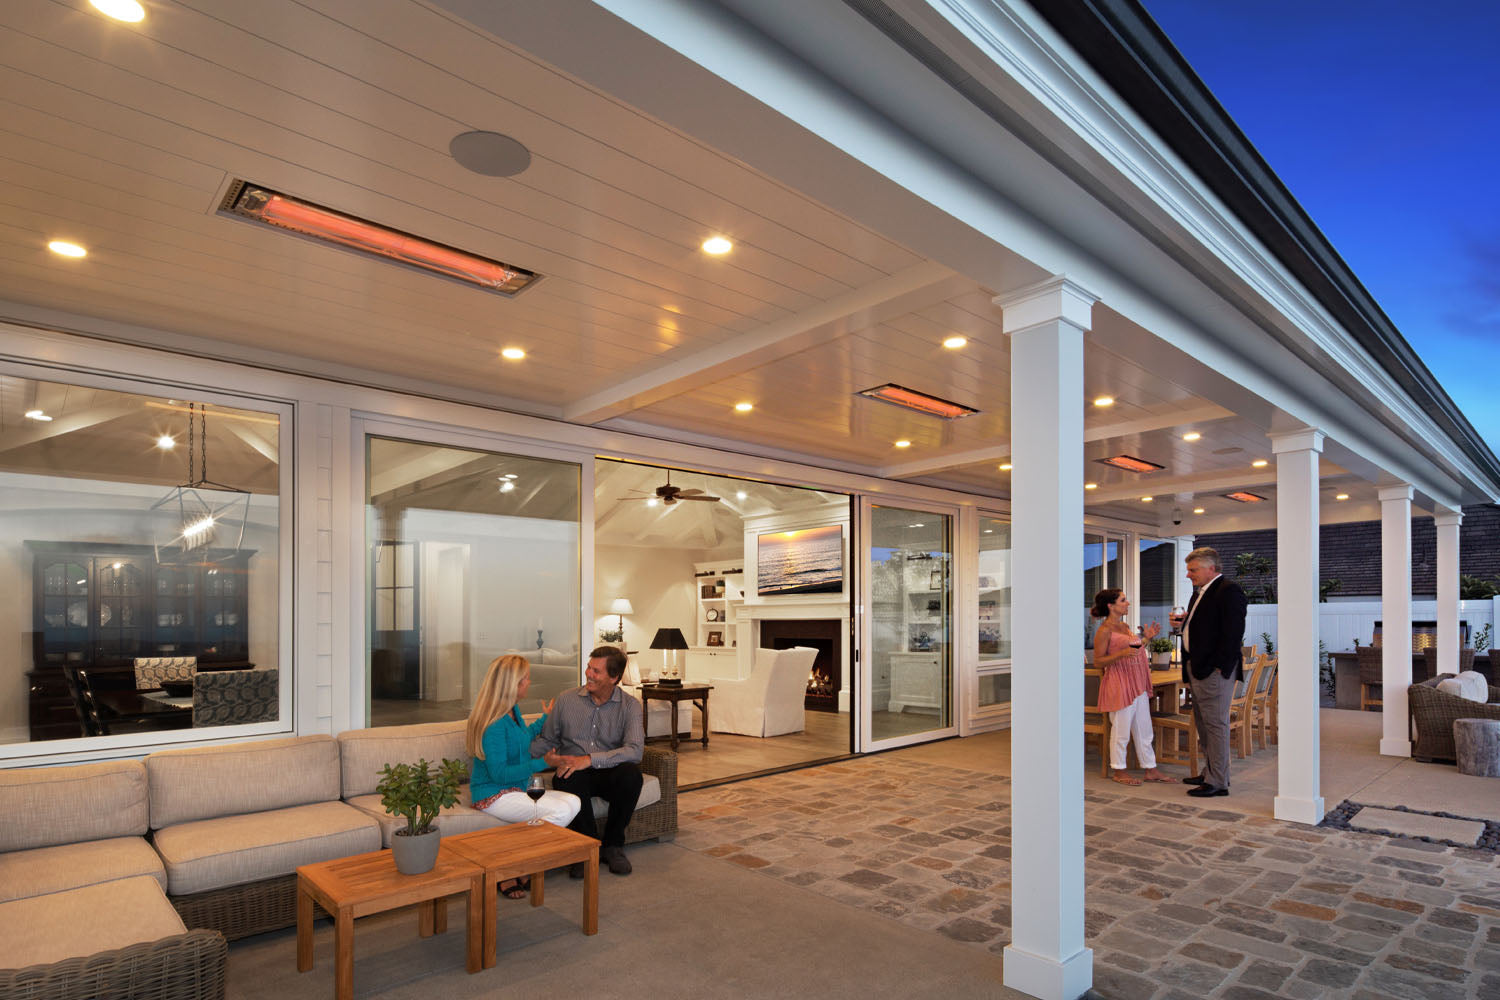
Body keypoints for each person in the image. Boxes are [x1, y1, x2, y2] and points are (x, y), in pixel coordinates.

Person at [467, 654, 582, 896]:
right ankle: (512, 865)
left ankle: (516, 856)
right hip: (493, 794)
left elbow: (521, 738)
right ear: (514, 684)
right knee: (561, 811)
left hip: (515, 789)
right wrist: (543, 762)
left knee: (574, 801)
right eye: (526, 678)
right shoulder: (494, 724)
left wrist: (544, 719)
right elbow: (499, 775)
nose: (529, 682)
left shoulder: (512, 711)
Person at [532, 645, 644, 876]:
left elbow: (635, 751)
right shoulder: (566, 700)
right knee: (565, 777)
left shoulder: (630, 706)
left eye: (596, 671)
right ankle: (588, 849)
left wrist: (590, 759)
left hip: (608, 770)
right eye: (588, 667)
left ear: (614, 677)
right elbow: (548, 739)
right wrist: (522, 756)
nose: (588, 674)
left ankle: (613, 846)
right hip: (573, 771)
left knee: (632, 775)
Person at [1170, 546, 1248, 798]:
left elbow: (1233, 633)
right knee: (1204, 724)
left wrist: (1218, 667)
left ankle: (1218, 782)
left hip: (1213, 671)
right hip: (1197, 667)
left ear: (1210, 568)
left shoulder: (1228, 591)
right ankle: (1210, 772)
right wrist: (1181, 626)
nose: (1188, 575)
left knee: (1215, 725)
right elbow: (1202, 630)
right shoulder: (1199, 594)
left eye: (1193, 570)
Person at [1091, 588, 1174, 786]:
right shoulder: (1104, 631)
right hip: (1119, 682)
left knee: (1144, 728)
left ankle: (1150, 769)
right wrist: (1121, 654)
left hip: (1137, 682)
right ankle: (1119, 771)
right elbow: (1098, 661)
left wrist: (1146, 639)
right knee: (1121, 730)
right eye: (1123, 600)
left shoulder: (1124, 626)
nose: (1127, 603)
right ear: (1111, 606)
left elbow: (1133, 650)